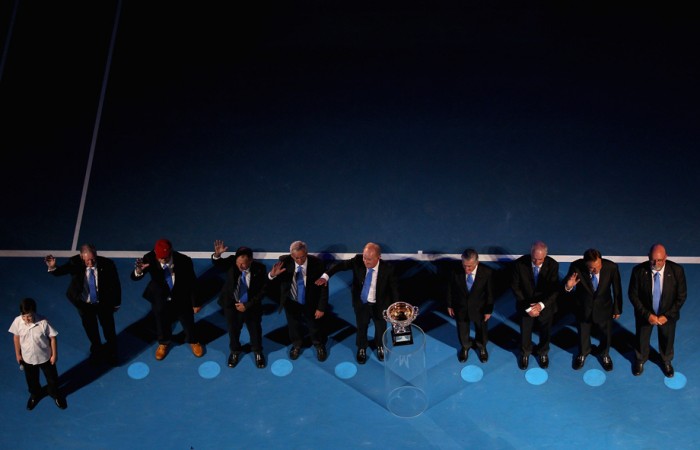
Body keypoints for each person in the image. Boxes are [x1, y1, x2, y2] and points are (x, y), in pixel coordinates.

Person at [316, 242, 398, 364]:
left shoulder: (388, 269)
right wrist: (326, 276)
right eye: (365, 257)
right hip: (361, 304)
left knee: (380, 327)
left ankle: (380, 346)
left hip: (380, 305)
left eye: (369, 259)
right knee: (361, 327)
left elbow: (394, 289)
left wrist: (396, 308)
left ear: (378, 257)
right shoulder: (358, 260)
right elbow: (340, 266)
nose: (366, 261)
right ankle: (362, 348)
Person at [45, 244, 121, 366]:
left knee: (109, 328)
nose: (90, 262)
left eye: (92, 259)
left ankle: (112, 351)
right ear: (81, 256)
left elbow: (115, 284)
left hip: (103, 303)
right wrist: (53, 267)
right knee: (91, 329)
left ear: (96, 255)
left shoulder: (108, 264)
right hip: (84, 304)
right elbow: (61, 271)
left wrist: (116, 303)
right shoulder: (75, 262)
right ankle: (97, 349)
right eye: (87, 260)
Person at [131, 238, 203, 360]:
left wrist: (196, 303)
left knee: (187, 320)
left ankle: (193, 341)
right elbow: (134, 277)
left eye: (165, 257)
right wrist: (138, 271)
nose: (163, 260)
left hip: (181, 296)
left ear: (171, 251)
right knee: (161, 321)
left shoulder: (184, 260)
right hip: (160, 296)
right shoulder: (148, 258)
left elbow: (192, 282)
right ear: (155, 253)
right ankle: (163, 343)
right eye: (160, 257)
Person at [628, 243, 687, 377]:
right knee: (641, 338)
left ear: (666, 257)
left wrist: (667, 315)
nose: (656, 263)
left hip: (668, 316)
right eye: (653, 259)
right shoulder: (638, 271)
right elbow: (633, 295)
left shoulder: (677, 271)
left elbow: (681, 296)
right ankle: (641, 359)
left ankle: (666, 361)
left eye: (660, 260)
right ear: (648, 256)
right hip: (645, 315)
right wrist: (647, 314)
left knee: (667, 339)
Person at [268, 241, 329, 362]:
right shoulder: (284, 262)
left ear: (306, 253)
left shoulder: (317, 264)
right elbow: (271, 286)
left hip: (310, 301)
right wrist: (272, 275)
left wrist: (321, 307)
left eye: (302, 257)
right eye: (297, 258)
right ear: (291, 255)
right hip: (291, 301)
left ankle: (318, 345)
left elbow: (324, 288)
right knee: (293, 325)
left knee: (314, 325)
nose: (300, 260)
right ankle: (297, 344)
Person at [564, 248, 622, 371]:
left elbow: (617, 290)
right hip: (583, 308)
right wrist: (568, 287)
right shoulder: (576, 266)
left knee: (605, 334)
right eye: (592, 268)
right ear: (585, 264)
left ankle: (604, 354)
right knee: (583, 333)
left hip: (604, 308)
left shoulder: (611, 267)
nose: (596, 270)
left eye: (598, 266)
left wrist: (617, 309)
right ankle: (583, 353)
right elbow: (566, 286)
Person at [212, 241, 267, 369]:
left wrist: (247, 305)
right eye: (239, 262)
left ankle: (258, 352)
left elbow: (262, 291)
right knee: (233, 331)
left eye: (244, 262)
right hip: (231, 305)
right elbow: (218, 263)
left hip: (251, 306)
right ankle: (235, 351)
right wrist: (217, 255)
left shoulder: (260, 269)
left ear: (251, 261)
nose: (241, 265)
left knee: (255, 331)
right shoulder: (231, 262)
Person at [8, 298, 67, 410]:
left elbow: (53, 338)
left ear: (34, 312)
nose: (26, 319)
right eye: (24, 316)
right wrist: (18, 354)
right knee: (31, 380)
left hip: (45, 357)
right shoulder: (17, 321)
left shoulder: (43, 322)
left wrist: (54, 355)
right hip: (27, 358)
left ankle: (55, 394)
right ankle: (35, 395)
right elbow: (16, 338)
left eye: (29, 316)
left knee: (52, 379)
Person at [511, 241, 560, 370]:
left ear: (545, 256)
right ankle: (525, 353)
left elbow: (554, 290)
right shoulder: (519, 264)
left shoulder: (553, 265)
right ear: (531, 253)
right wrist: (529, 308)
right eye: (534, 258)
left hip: (545, 306)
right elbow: (515, 288)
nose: (537, 262)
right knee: (525, 332)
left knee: (545, 332)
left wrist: (541, 305)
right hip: (525, 305)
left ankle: (543, 353)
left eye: (540, 259)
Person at [446, 248, 494, 363]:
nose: (466, 269)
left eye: (470, 266)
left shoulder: (487, 273)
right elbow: (449, 289)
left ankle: (481, 347)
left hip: (480, 309)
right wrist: (449, 305)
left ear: (477, 262)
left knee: (482, 330)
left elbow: (490, 293)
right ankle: (465, 347)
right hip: (461, 307)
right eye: (464, 265)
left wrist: (488, 310)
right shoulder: (454, 271)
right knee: (462, 330)